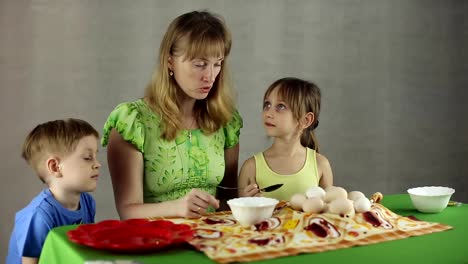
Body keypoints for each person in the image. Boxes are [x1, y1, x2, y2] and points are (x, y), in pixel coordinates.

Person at [102, 10, 242, 220]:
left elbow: (227, 203)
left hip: (215, 243)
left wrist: (245, 200)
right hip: (155, 245)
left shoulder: (225, 121)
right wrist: (176, 208)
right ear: (170, 61)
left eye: (217, 63)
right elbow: (127, 211)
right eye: (200, 64)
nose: (210, 76)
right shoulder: (133, 122)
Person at [6, 118, 101, 264]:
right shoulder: (40, 216)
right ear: (55, 167)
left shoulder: (88, 203)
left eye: (96, 156)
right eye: (88, 158)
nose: (98, 164)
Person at [238, 77, 333, 201]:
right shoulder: (250, 167)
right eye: (267, 104)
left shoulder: (321, 164)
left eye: (281, 107)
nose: (268, 113)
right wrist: (245, 201)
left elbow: (328, 214)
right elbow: (240, 217)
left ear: (306, 120)